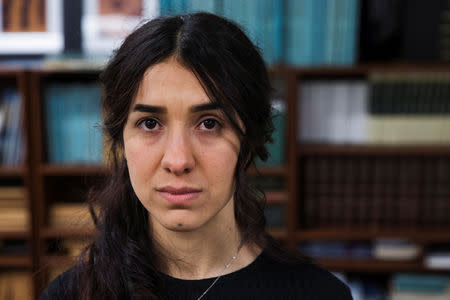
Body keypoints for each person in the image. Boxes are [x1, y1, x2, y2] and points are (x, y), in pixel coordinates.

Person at [40, 12, 352, 300]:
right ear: (120, 139)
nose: (178, 161)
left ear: (248, 141)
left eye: (209, 124)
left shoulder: (320, 294)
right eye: (149, 124)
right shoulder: (71, 294)